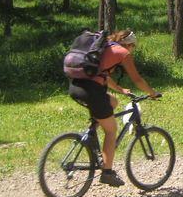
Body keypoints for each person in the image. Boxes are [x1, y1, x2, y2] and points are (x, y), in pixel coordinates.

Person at [68, 29, 160, 187]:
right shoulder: (123, 52)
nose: (132, 49)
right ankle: (107, 172)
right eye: (133, 46)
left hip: (76, 87)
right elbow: (137, 80)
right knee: (111, 130)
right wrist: (152, 93)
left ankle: (92, 134)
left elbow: (103, 74)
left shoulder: (104, 47)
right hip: (92, 92)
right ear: (129, 44)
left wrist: (120, 90)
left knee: (113, 102)